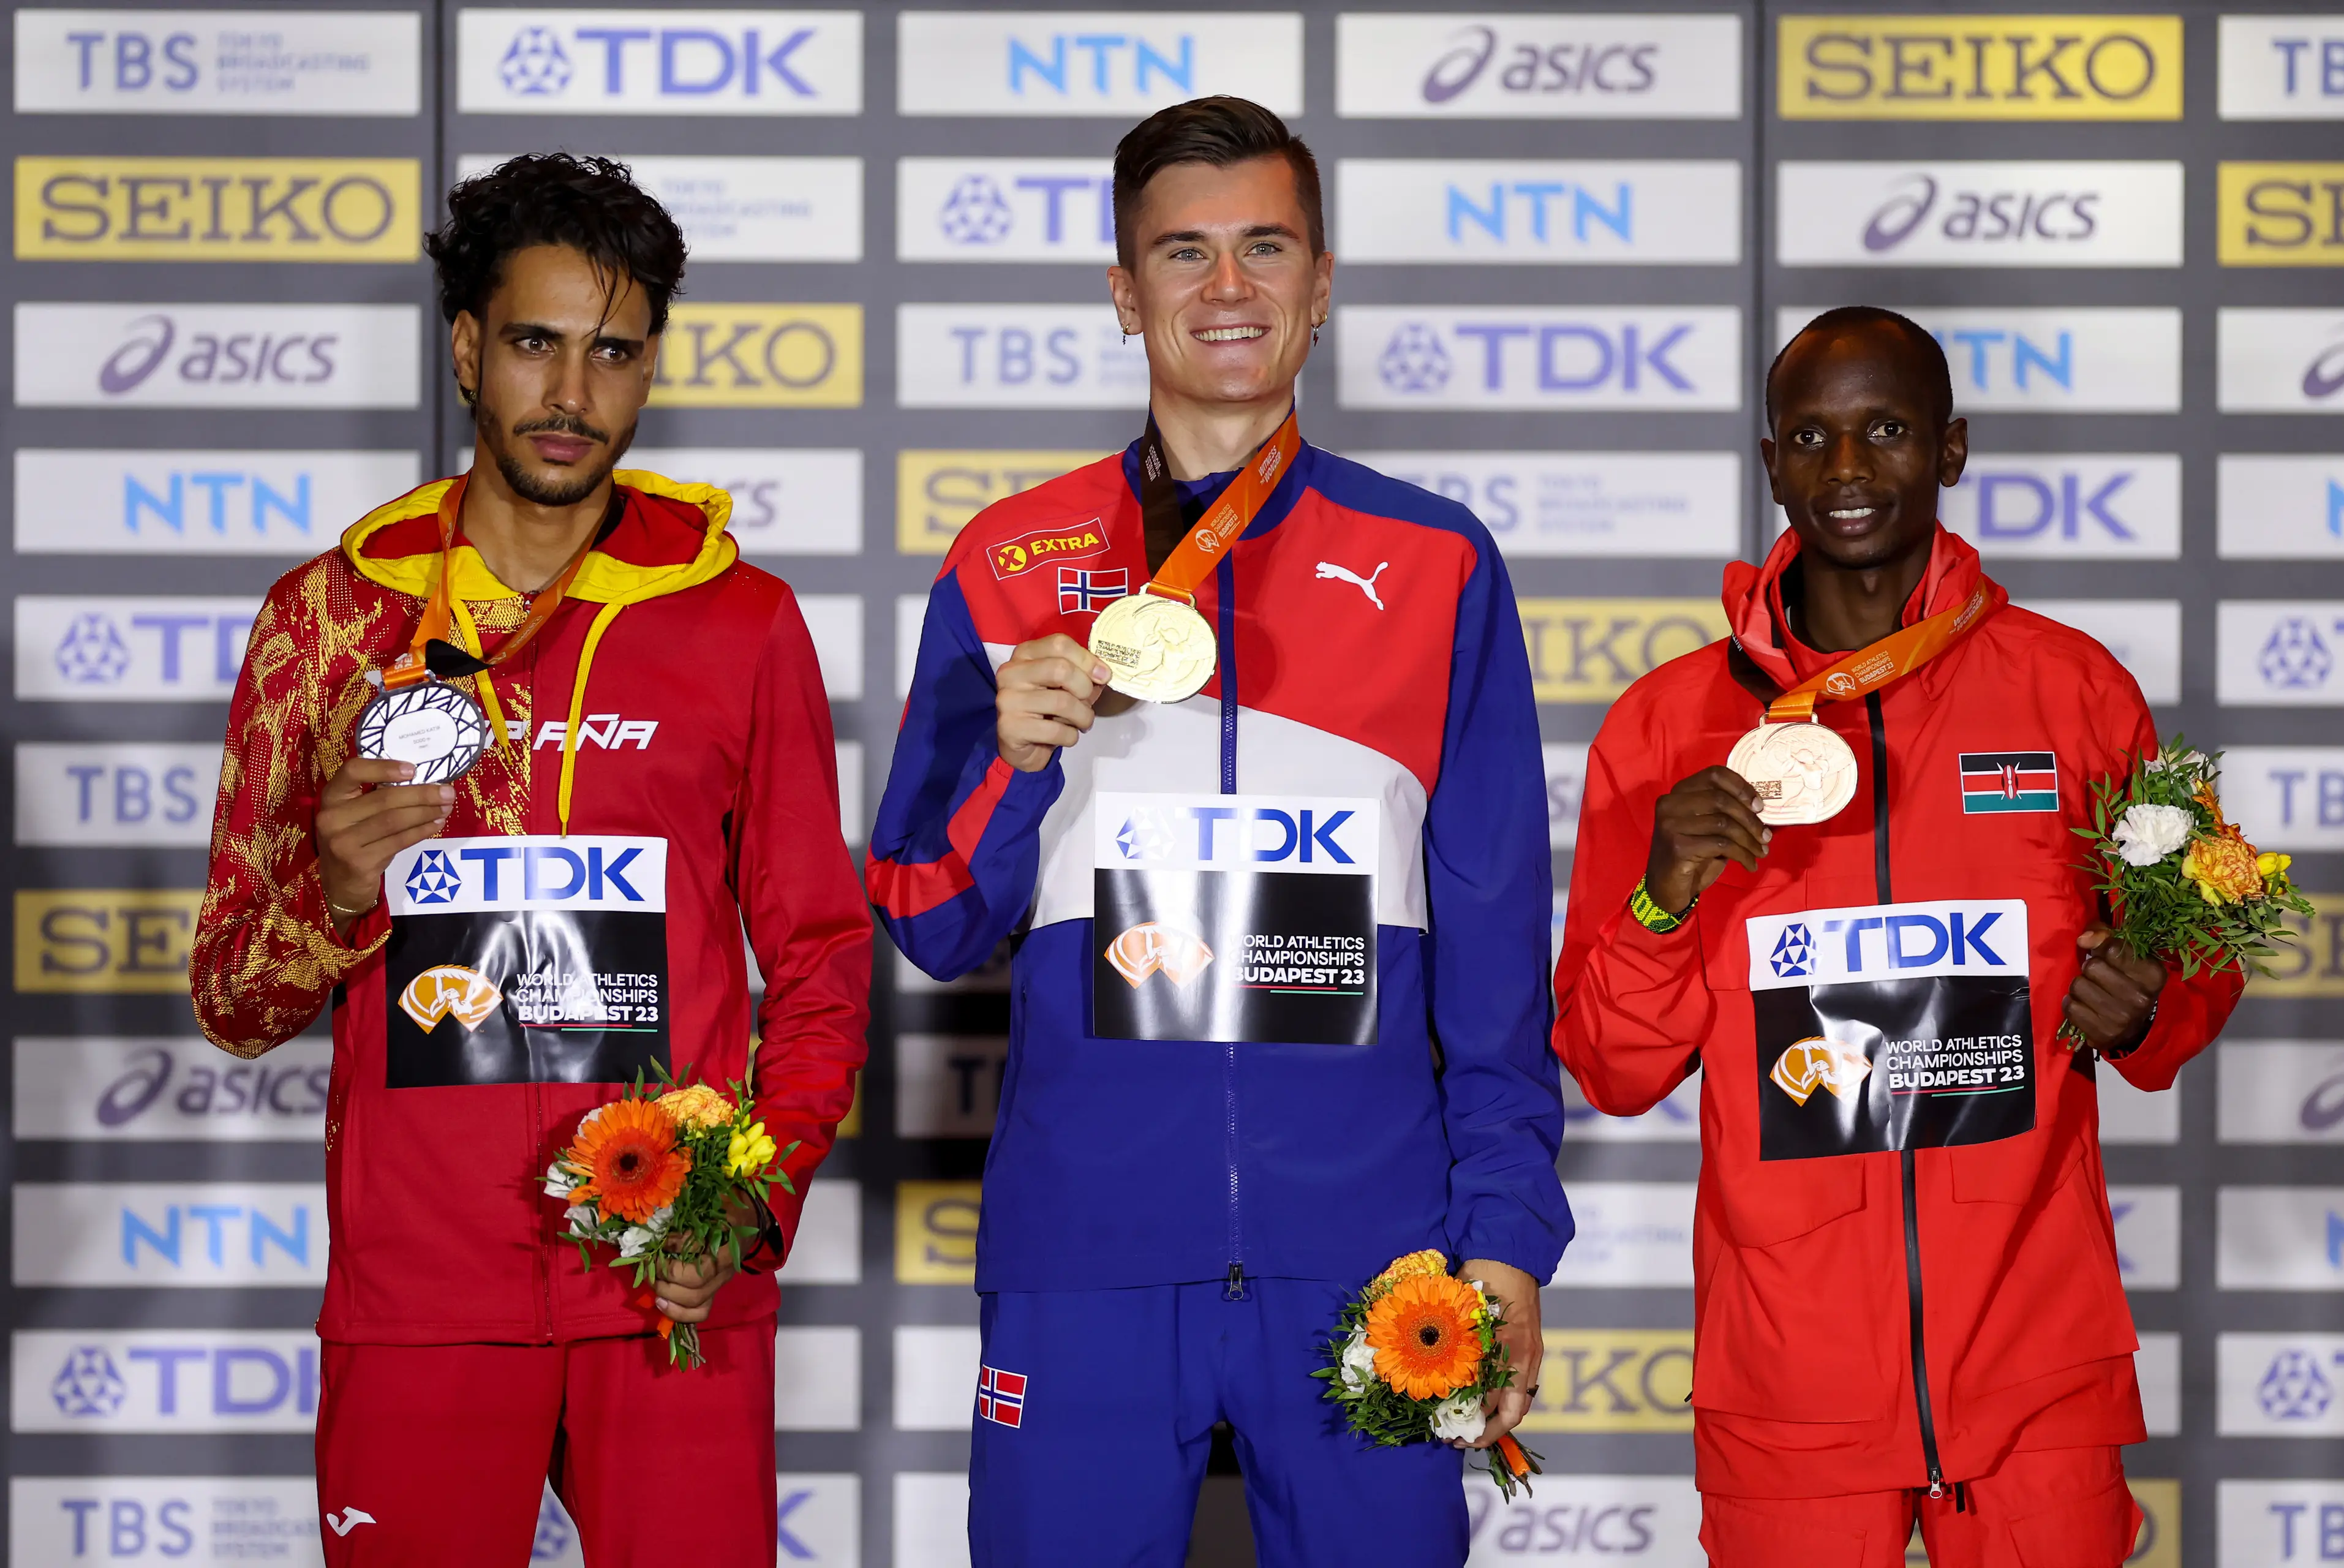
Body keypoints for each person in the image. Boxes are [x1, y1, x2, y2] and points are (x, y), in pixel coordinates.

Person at [866, 97, 1571, 1567]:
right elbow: (932, 917)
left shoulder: (1438, 561)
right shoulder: (1010, 564)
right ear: (1125, 294)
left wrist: (1502, 1234)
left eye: (1266, 246)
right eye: (1182, 253)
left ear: (1322, 282)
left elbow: (1498, 959)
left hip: (1372, 1263)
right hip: (1089, 1260)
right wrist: (1012, 761)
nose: (1228, 288)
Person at [191, 153, 870, 1567]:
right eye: (536, 343)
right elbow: (234, 997)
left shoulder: (741, 620)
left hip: (667, 1274)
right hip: (424, 1291)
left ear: (651, 367)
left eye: (614, 351)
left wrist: (749, 1209)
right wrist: (339, 894)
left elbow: (819, 955)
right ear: (466, 349)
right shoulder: (326, 622)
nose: (573, 393)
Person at [1553, 306, 2241, 1567]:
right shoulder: (1667, 727)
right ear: (1772, 464)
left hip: (2038, 1371)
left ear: (1954, 449)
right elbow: (1613, 1061)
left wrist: (2148, 1004)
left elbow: (2200, 941)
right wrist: (1659, 896)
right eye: (1812, 436)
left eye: (1887, 430)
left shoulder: (2076, 693)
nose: (1851, 469)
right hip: (1787, 1388)